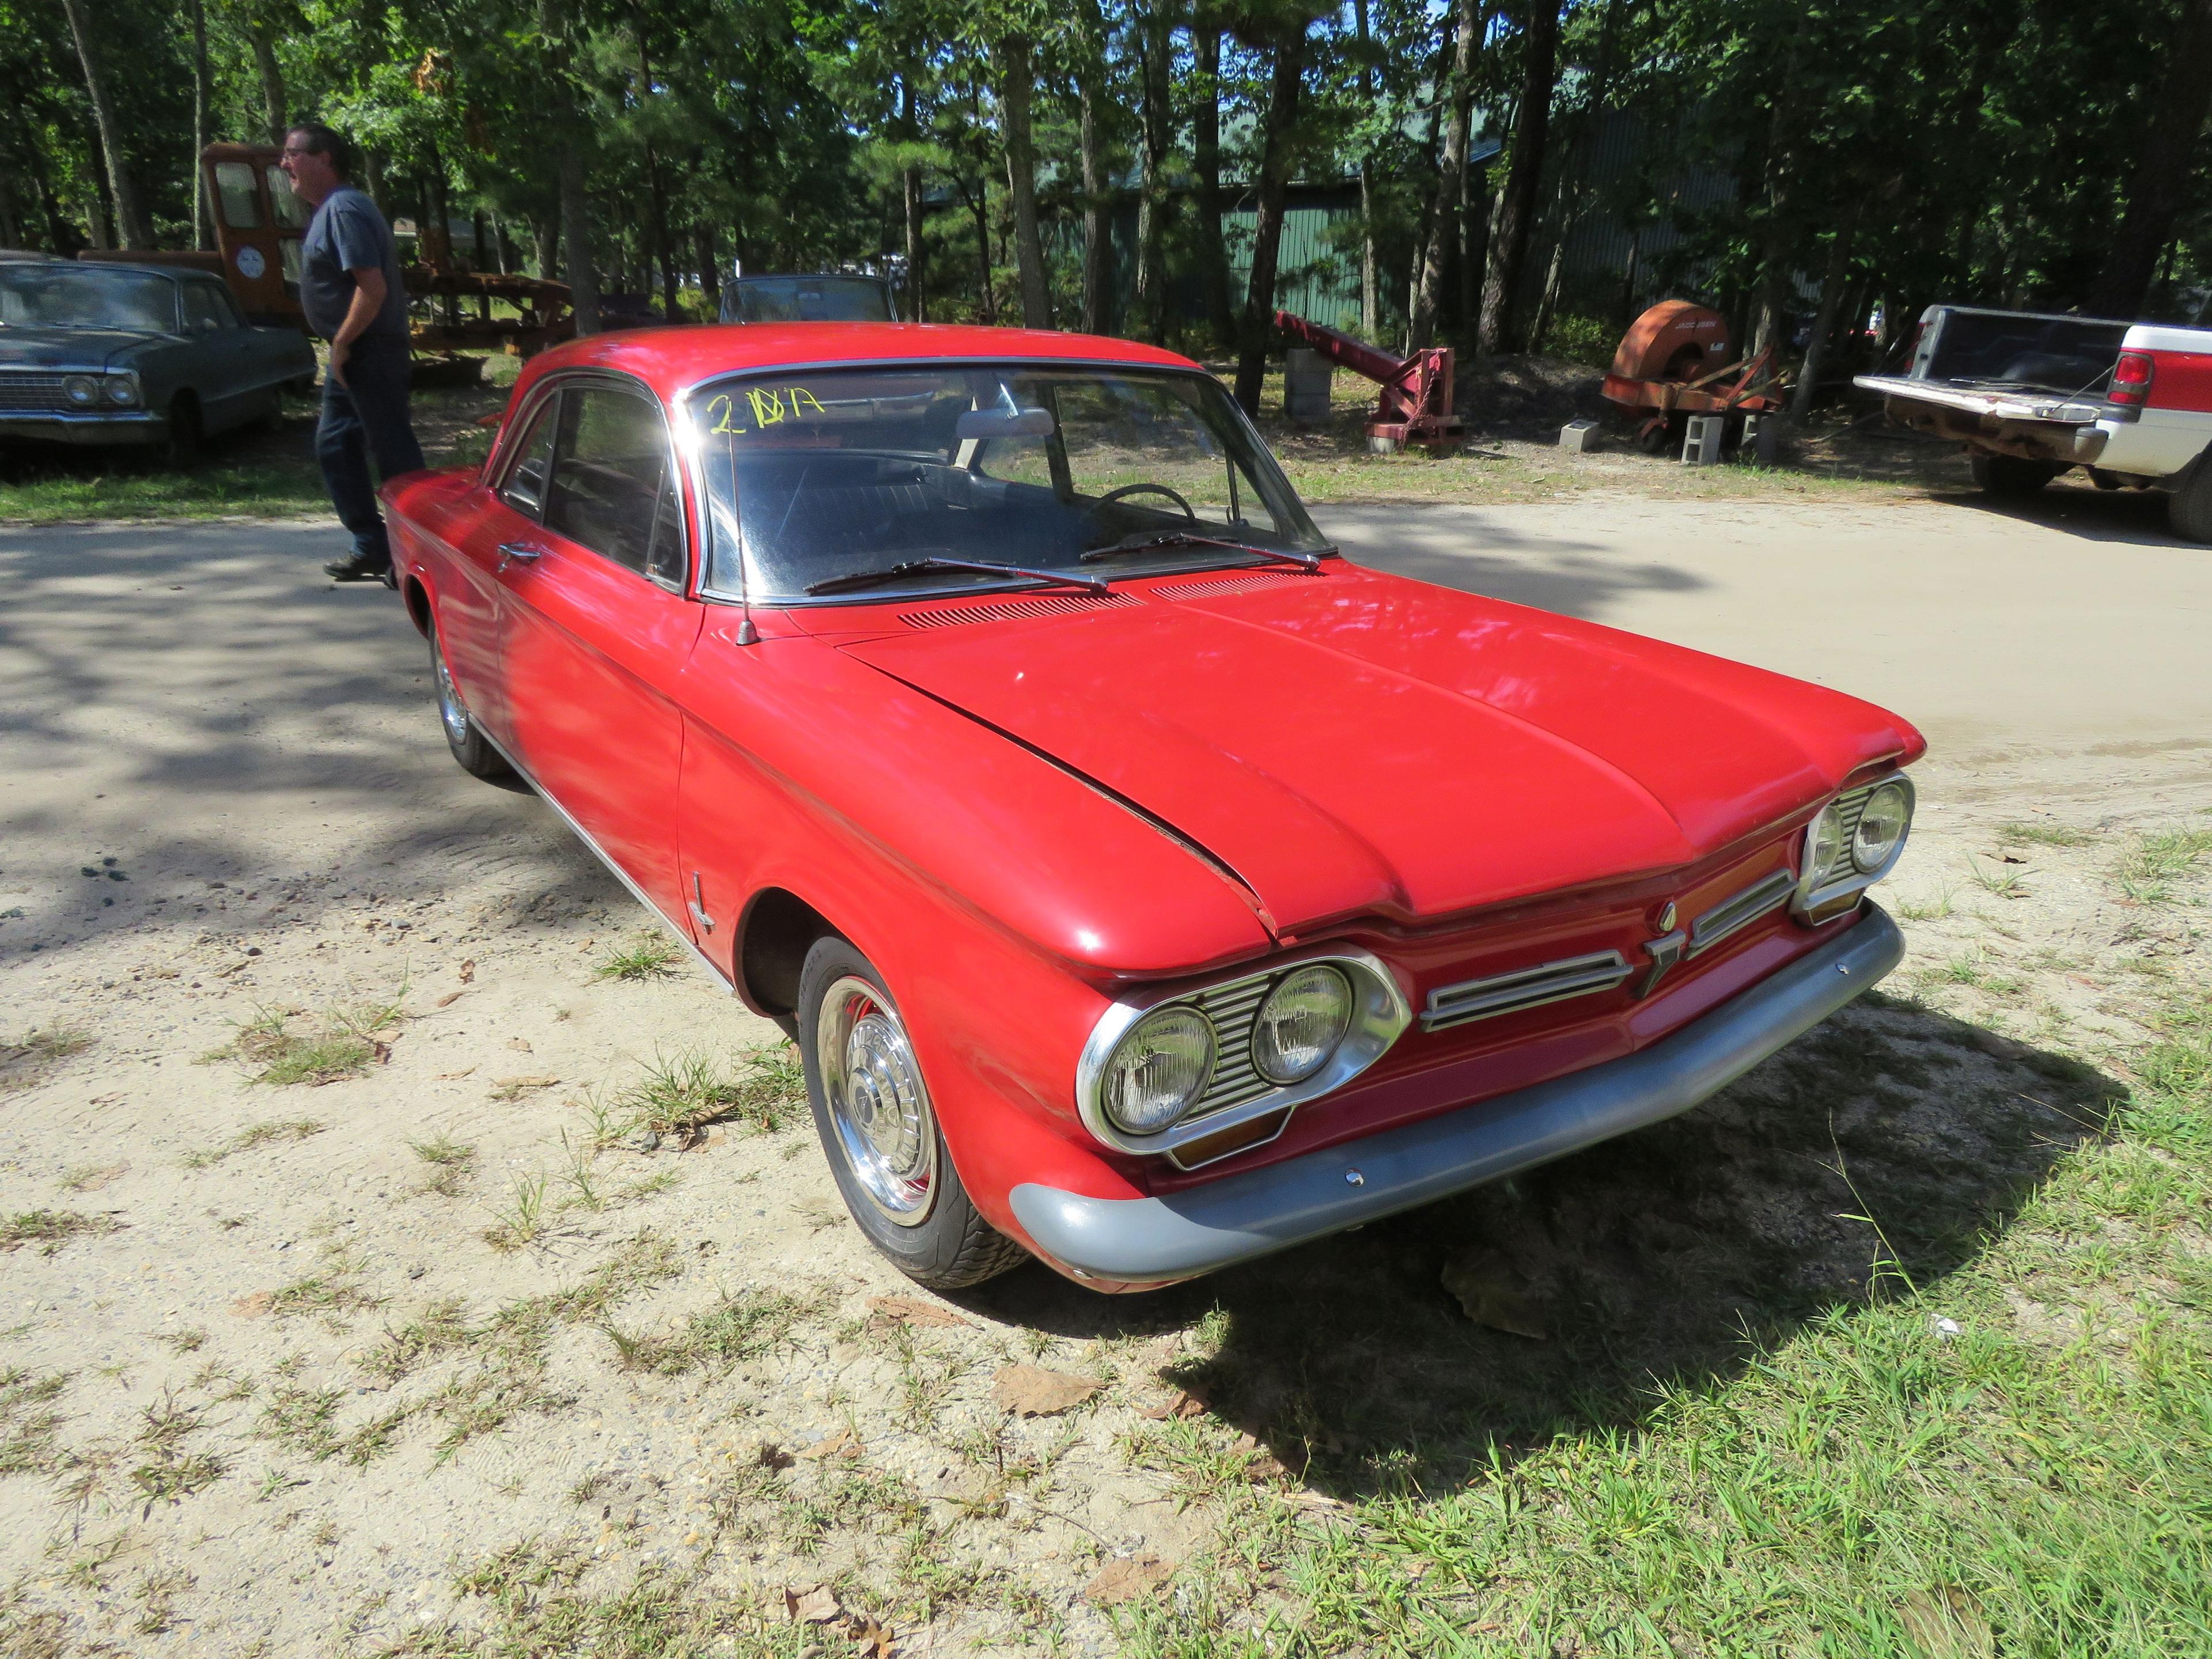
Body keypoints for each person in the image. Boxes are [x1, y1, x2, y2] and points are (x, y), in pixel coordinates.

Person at [281, 122, 425, 585]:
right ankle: (372, 545)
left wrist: (341, 346)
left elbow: (372, 288)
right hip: (354, 352)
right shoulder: (331, 210)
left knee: (393, 453)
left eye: (293, 154)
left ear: (325, 158)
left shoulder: (344, 209)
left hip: (368, 352)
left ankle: (416, 553)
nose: (285, 163)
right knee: (336, 446)